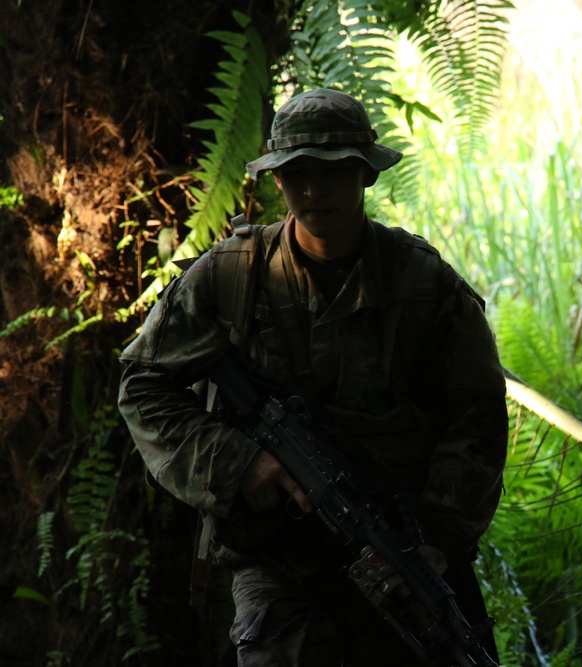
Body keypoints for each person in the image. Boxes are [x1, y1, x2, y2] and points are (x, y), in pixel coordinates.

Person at [118, 88, 509, 666]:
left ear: (365, 174)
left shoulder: (425, 285)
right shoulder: (232, 275)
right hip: (280, 565)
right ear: (277, 179)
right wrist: (241, 462)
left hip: (400, 558)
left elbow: (477, 419)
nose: (312, 189)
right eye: (295, 172)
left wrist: (432, 543)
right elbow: (144, 384)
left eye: (331, 171)